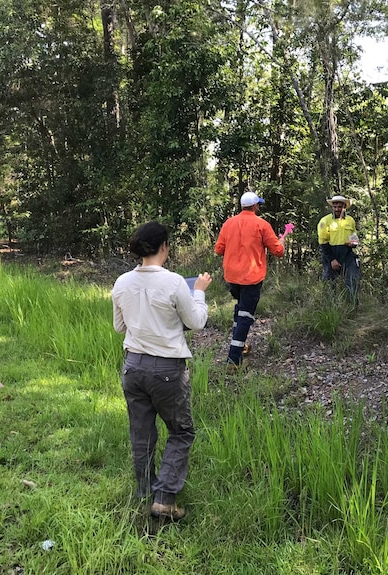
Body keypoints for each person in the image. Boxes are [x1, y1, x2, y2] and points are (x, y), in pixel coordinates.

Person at [111, 221, 212, 521]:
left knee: (141, 432)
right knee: (181, 432)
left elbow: (119, 326)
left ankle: (144, 489)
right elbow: (196, 321)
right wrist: (200, 292)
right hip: (167, 369)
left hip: (133, 366)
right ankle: (164, 498)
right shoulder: (175, 282)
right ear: (164, 246)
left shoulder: (121, 282)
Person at [214, 191, 285, 366]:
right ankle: (233, 359)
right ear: (255, 206)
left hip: (232, 277)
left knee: (240, 309)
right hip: (251, 278)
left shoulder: (229, 223)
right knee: (245, 316)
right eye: (258, 205)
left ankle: (242, 345)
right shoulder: (262, 224)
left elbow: (218, 250)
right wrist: (282, 241)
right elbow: (278, 252)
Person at [318, 194, 361, 304]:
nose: (337, 209)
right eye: (335, 206)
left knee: (352, 280)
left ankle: (352, 307)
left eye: (339, 206)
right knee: (329, 283)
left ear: (344, 207)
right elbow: (323, 242)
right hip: (331, 254)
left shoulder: (350, 220)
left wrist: (354, 243)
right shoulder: (325, 221)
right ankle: (328, 308)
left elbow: (353, 237)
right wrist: (332, 259)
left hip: (347, 254)